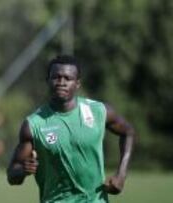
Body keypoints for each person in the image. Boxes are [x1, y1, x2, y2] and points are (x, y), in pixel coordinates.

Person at [7, 55, 135, 202]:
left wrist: (121, 174)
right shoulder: (34, 124)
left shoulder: (99, 111)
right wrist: (23, 170)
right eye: (56, 77)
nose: (61, 82)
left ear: (77, 83)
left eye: (68, 78)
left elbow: (128, 132)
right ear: (48, 81)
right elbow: (12, 175)